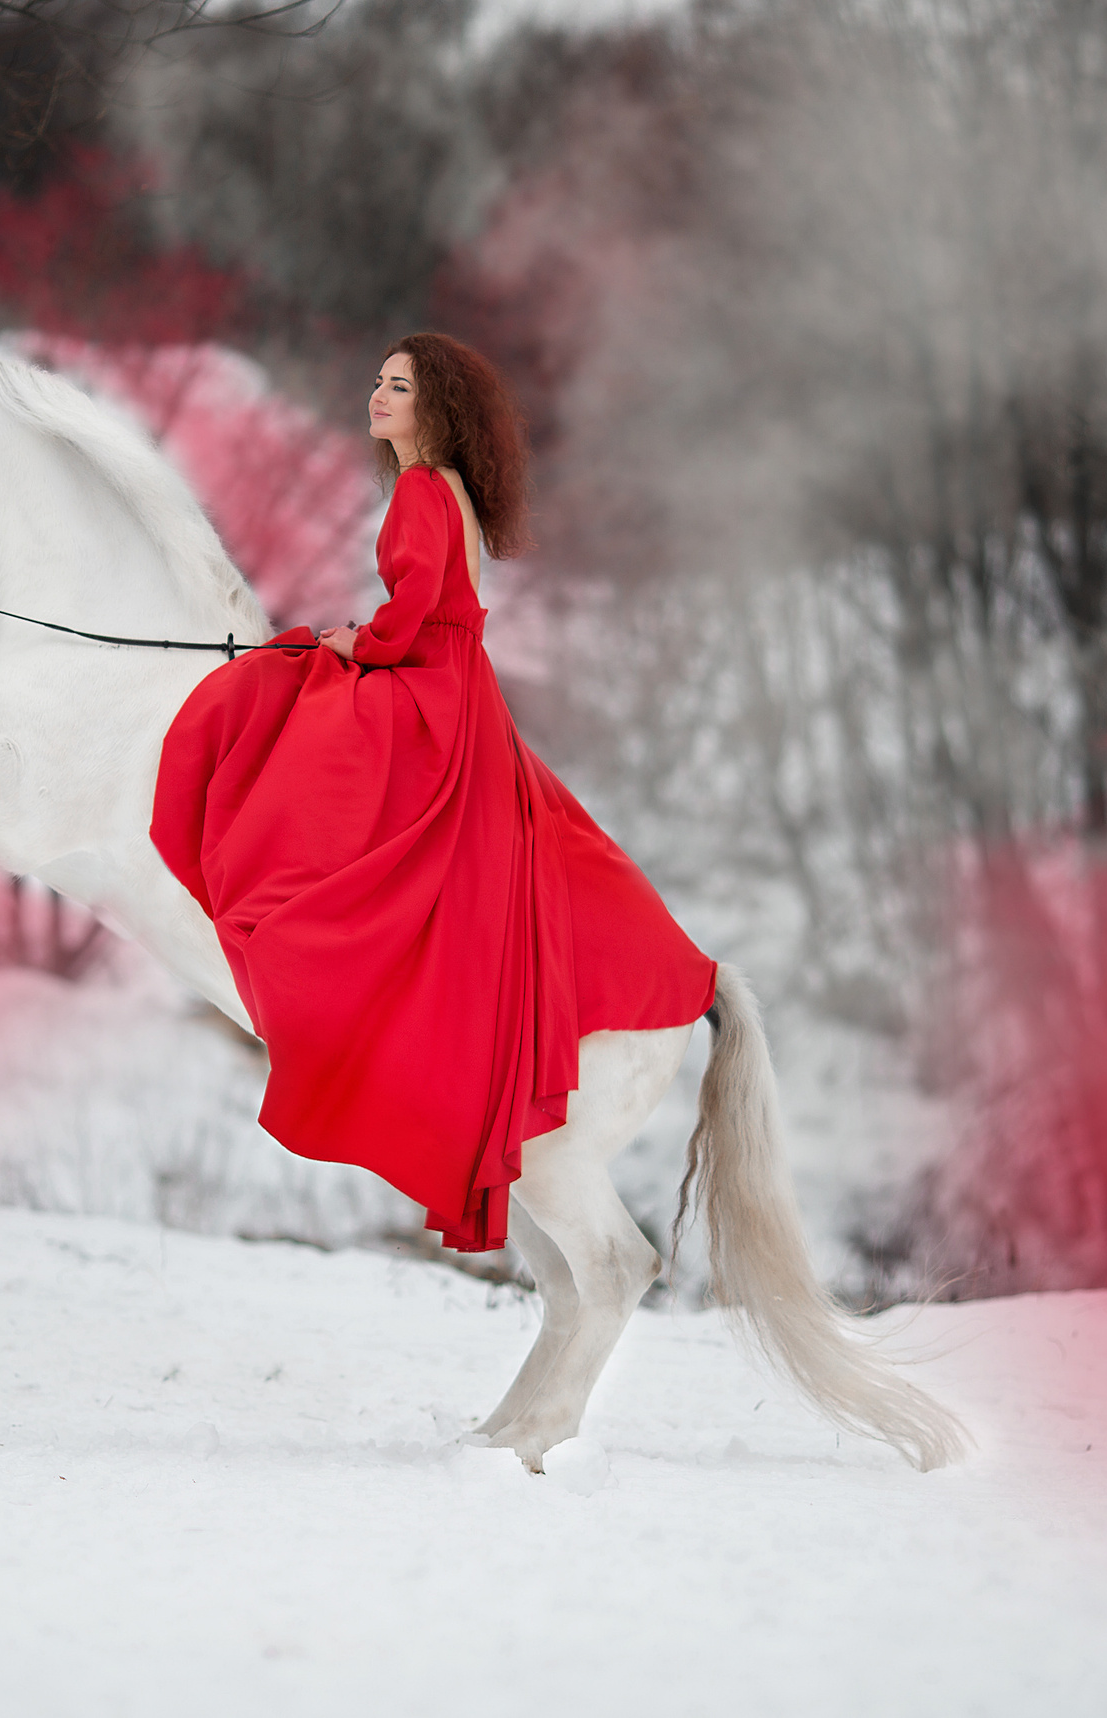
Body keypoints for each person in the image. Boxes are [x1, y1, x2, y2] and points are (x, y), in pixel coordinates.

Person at [151, 334, 716, 1252]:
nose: (378, 395)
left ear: (436, 406)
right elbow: (437, 604)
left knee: (276, 694)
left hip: (428, 686)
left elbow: (413, 609)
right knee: (298, 687)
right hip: (460, 687)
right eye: (377, 380)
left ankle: (272, 890)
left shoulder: (421, 487)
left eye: (399, 386)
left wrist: (352, 646)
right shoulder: (447, 487)